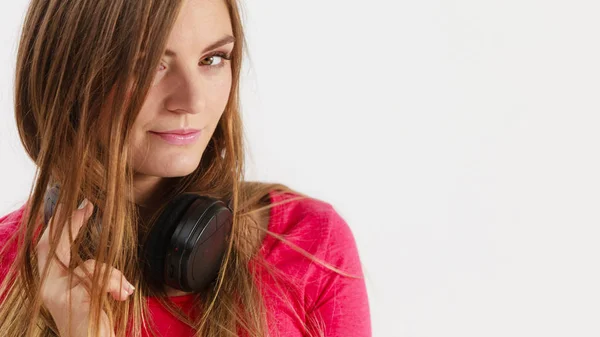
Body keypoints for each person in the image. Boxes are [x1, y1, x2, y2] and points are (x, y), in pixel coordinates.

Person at [0, 0, 371, 336]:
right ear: (67, 79)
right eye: (147, 65)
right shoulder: (6, 260)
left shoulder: (308, 243)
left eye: (212, 59)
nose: (191, 100)